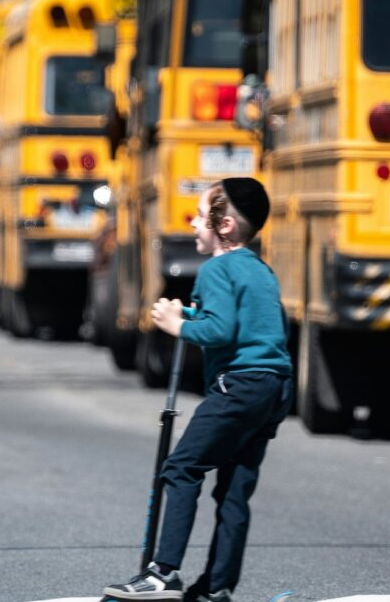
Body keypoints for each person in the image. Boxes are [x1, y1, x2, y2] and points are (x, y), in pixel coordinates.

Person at [102, 178, 292, 602]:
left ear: (223, 225)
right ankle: (217, 585)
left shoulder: (216, 269)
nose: (191, 222)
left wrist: (179, 326)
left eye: (199, 215)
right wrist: (187, 311)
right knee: (235, 487)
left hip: (238, 387)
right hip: (273, 387)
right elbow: (244, 320)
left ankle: (163, 573)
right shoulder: (259, 269)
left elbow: (220, 330)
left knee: (181, 468)